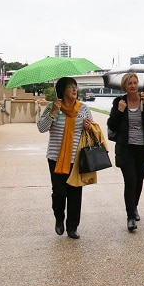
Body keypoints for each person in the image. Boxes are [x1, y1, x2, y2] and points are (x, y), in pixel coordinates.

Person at [38, 76, 94, 240]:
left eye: (75, 87)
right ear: (62, 90)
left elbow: (92, 131)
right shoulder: (52, 107)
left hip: (77, 158)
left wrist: (88, 127)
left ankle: (72, 227)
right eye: (70, 87)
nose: (75, 89)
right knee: (59, 192)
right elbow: (42, 128)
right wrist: (53, 112)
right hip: (55, 157)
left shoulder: (83, 108)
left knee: (76, 193)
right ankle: (59, 218)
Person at [107, 72, 144, 232]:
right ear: (125, 86)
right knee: (130, 181)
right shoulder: (119, 102)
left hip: (143, 149)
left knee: (139, 181)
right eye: (130, 83)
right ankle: (130, 216)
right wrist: (120, 111)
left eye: (135, 83)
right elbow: (112, 125)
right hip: (126, 149)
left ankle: (134, 206)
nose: (133, 85)